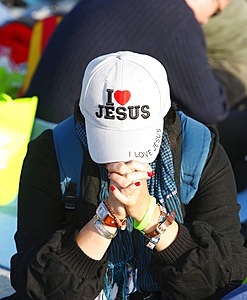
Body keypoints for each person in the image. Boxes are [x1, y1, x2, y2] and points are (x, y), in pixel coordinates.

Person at [6, 51, 247, 300]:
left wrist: (150, 216)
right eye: (110, 142)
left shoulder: (199, 149)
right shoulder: (51, 154)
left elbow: (225, 278)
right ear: (85, 118)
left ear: (164, 117)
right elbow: (36, 287)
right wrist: (105, 221)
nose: (124, 162)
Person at [25, 0, 247, 126]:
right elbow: (210, 110)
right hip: (73, 149)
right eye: (216, 10)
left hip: (42, 132)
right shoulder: (174, 13)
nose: (207, 20)